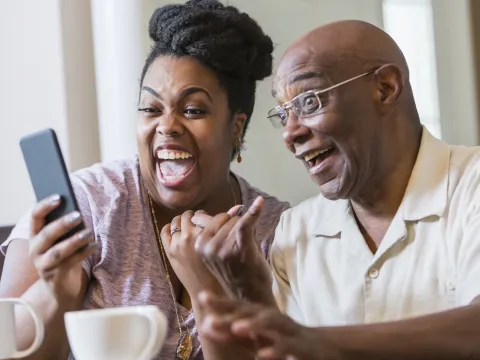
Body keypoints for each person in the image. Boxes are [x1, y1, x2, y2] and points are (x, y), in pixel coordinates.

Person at [0, 1, 289, 359]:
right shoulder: (90, 202)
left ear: (236, 128)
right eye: (151, 109)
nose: (166, 125)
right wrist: (55, 290)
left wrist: (206, 292)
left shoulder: (276, 233)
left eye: (193, 110)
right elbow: (10, 350)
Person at [194, 20, 480, 359]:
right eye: (284, 114)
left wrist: (321, 343)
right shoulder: (296, 230)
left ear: (385, 87)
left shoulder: (470, 185)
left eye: (309, 102)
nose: (290, 133)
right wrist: (249, 291)